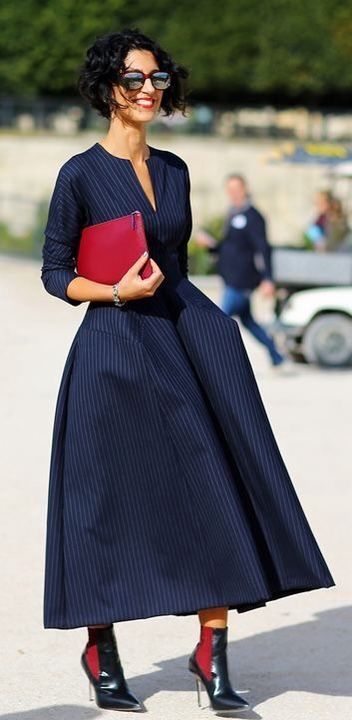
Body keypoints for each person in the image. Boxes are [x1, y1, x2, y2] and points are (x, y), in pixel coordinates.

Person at [40, 27, 334, 714]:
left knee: (213, 486)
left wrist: (208, 327)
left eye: (158, 78)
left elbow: (176, 261)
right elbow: (58, 274)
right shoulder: (79, 174)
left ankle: (211, 651)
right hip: (113, 347)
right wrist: (115, 291)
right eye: (134, 78)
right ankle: (101, 648)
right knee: (105, 503)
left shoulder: (174, 168)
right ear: (107, 86)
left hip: (182, 339)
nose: (148, 89)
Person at [196, 174, 286, 367]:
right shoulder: (233, 214)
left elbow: (264, 248)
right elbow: (230, 247)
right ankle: (276, 356)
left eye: (237, 189)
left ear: (245, 189)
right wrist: (211, 245)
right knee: (249, 322)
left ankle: (210, 363)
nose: (233, 194)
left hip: (242, 279)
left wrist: (268, 278)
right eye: (230, 190)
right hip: (230, 277)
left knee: (220, 320)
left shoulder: (253, 216)